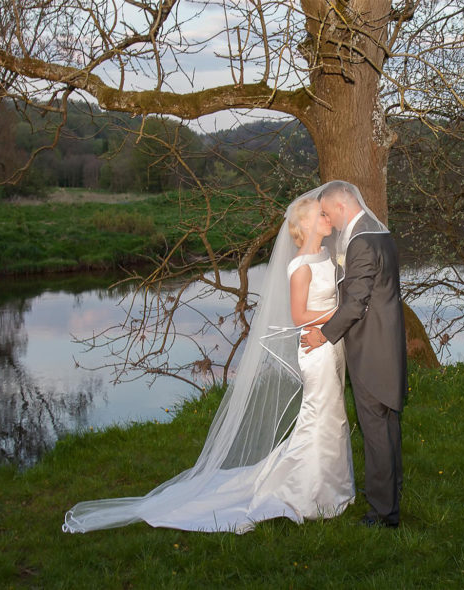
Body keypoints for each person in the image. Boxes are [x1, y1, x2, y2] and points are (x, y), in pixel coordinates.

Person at [62, 186, 354, 533]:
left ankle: (331, 486)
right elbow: (297, 315)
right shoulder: (301, 266)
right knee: (320, 414)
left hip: (330, 346)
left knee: (333, 413)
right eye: (320, 215)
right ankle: (306, 492)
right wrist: (339, 313)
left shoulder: (326, 257)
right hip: (315, 349)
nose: (327, 218)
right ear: (304, 226)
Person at [301, 180, 407, 529]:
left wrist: (323, 336)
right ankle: (390, 495)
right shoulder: (380, 234)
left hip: (371, 349)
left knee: (375, 428)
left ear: (342, 206)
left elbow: (356, 302)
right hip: (387, 344)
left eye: (329, 212)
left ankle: (382, 513)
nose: (329, 220)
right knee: (387, 427)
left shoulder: (361, 241)